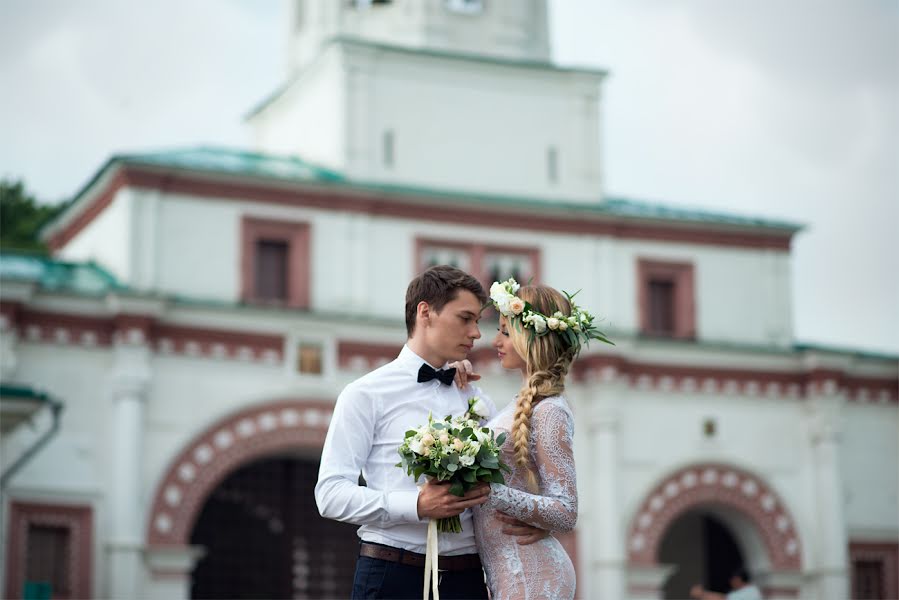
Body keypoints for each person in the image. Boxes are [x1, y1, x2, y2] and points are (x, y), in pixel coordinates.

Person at [315, 265, 544, 600]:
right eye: (465, 318)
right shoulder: (365, 393)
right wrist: (416, 505)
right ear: (425, 312)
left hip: (468, 578)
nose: (477, 333)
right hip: (392, 575)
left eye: (478, 322)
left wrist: (537, 519)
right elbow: (331, 495)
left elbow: (503, 485)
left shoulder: (476, 397)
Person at [456, 278, 613, 600]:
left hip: (533, 574)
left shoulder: (551, 409)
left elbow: (566, 510)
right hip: (508, 573)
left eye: (504, 331)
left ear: (529, 335)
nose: (495, 340)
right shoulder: (517, 404)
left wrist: (490, 492)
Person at [690, 567, 764, 600]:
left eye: (733, 579)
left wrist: (702, 594)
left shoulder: (751, 591)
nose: (731, 582)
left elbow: (724, 599)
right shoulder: (753, 590)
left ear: (738, 579)